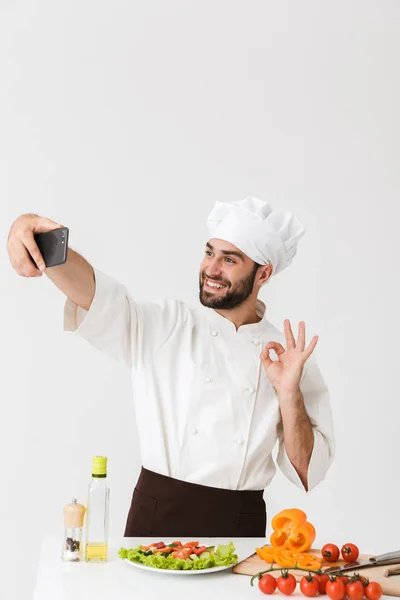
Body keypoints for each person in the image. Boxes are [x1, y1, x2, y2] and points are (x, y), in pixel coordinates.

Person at [7, 196, 335, 538]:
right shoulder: (169, 324)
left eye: (229, 260)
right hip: (157, 516)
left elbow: (307, 472)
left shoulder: (287, 358)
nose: (211, 269)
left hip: (238, 524)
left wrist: (288, 393)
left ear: (263, 273)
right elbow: (97, 296)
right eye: (209, 253)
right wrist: (32, 232)